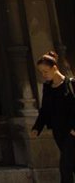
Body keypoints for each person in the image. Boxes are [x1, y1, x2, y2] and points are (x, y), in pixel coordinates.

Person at [31, 51, 75, 183]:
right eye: (41, 72)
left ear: (54, 68)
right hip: (58, 132)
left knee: (65, 166)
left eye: (45, 71)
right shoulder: (48, 88)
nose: (43, 75)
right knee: (71, 163)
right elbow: (45, 110)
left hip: (72, 132)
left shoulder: (71, 84)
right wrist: (37, 128)